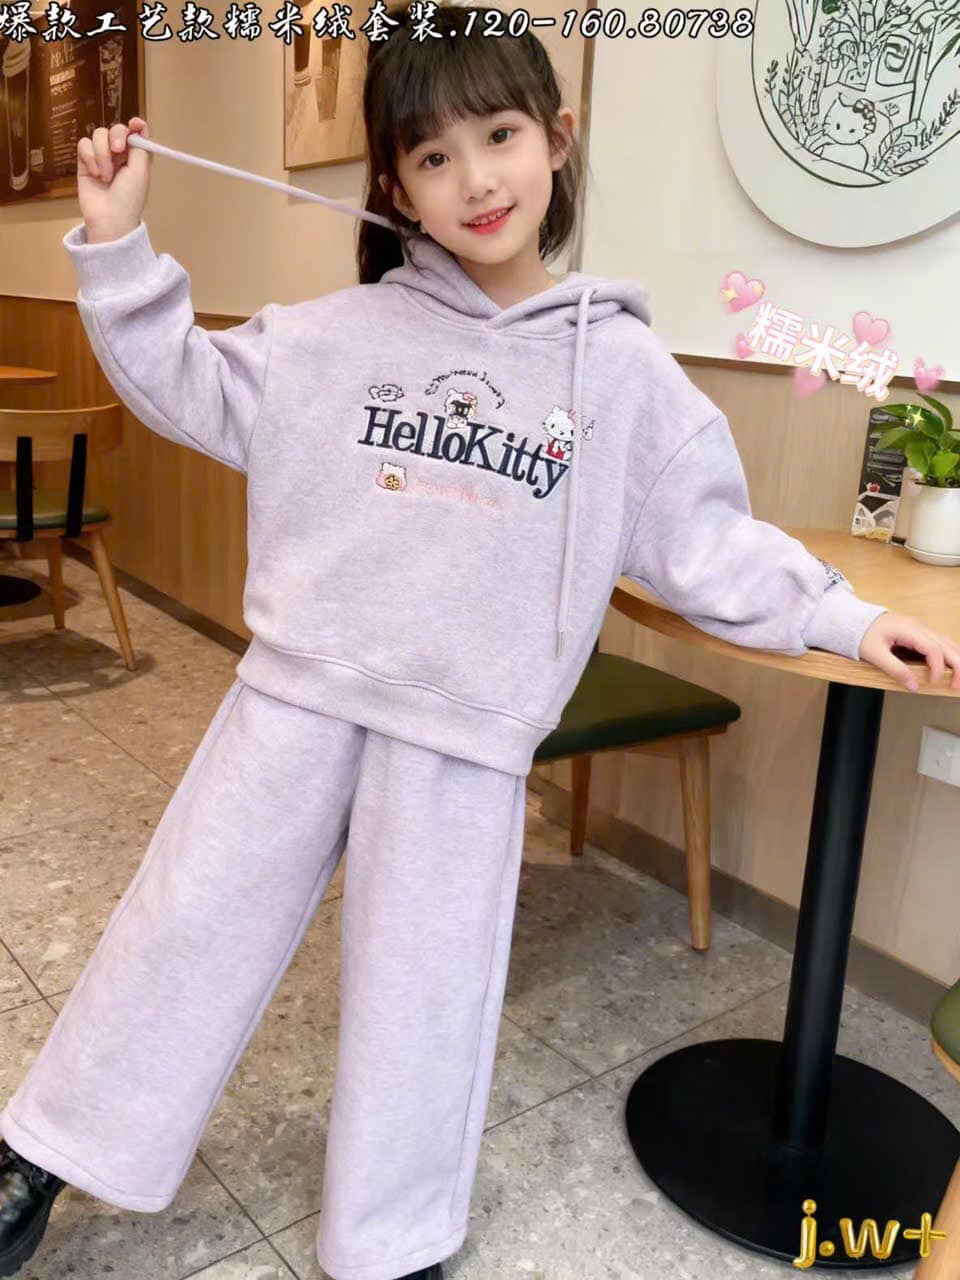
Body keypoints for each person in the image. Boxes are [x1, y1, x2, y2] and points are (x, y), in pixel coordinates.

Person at [2, 3, 959, 1278]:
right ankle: (46, 1150)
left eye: (499, 135)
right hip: (296, 695)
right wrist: (119, 243)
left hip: (464, 734)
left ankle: (391, 1237)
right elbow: (186, 381)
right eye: (433, 155)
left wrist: (848, 613)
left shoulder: (620, 373)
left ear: (557, 136)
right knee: (185, 928)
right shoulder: (336, 338)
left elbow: (705, 542)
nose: (476, 179)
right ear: (396, 185)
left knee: (425, 997)